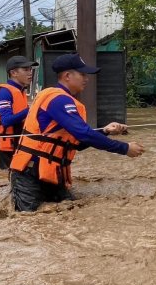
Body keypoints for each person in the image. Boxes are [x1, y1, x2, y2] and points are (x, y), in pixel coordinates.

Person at [9, 53, 145, 211]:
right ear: (67, 76)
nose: (86, 79)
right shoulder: (58, 99)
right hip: (29, 173)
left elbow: (77, 144)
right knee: (28, 220)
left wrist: (105, 131)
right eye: (82, 74)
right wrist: (125, 148)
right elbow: (84, 134)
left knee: (68, 212)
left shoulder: (62, 99)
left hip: (51, 171)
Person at [0, 55, 39, 169]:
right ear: (13, 73)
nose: (30, 73)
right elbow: (6, 121)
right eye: (25, 70)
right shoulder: (5, 92)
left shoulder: (20, 91)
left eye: (30, 70)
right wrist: (30, 110)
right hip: (2, 149)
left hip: (13, 145)